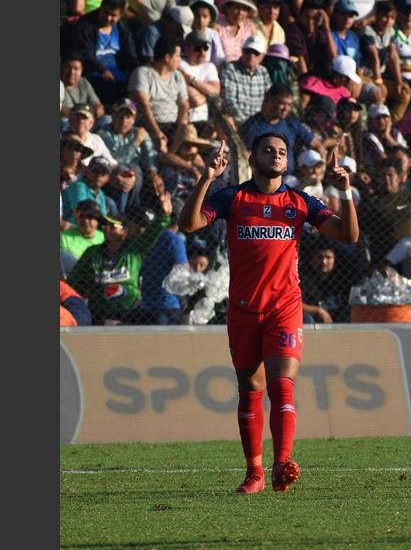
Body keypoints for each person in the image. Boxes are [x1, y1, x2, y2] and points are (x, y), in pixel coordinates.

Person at [179, 133, 359, 494]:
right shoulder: (233, 197)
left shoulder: (300, 202)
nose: (276, 156)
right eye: (268, 150)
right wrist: (208, 177)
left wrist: (346, 192)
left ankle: (282, 464)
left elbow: (348, 235)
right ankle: (254, 474)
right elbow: (190, 223)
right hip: (243, 309)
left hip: (284, 308)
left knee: (282, 387)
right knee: (250, 391)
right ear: (252, 156)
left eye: (281, 152)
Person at [69, 194, 174, 325]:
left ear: (124, 231)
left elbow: (151, 234)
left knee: (155, 319)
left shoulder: (135, 250)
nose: (106, 228)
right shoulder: (92, 253)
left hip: (130, 311)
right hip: (99, 313)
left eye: (112, 226)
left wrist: (164, 216)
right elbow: (74, 282)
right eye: (105, 225)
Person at [64, 0, 140, 105]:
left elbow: (130, 52)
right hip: (95, 72)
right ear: (100, 7)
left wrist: (137, 71)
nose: (108, 18)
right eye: (105, 12)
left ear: (120, 15)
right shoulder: (85, 25)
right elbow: (86, 54)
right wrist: (103, 70)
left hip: (119, 72)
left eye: (113, 15)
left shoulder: (122, 27)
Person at [128, 35, 189, 146]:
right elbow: (143, 106)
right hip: (149, 126)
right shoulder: (142, 73)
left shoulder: (178, 76)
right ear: (167, 58)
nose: (180, 60)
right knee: (161, 149)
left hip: (173, 127)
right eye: (177, 56)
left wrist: (181, 131)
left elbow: (184, 105)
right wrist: (157, 133)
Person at [240, 83, 315, 174]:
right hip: (265, 180)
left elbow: (316, 144)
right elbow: (245, 156)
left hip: (292, 179)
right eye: (282, 103)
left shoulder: (291, 121)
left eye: (289, 105)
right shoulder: (252, 126)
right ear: (270, 100)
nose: (286, 108)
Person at [358, 158, 411, 263]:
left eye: (390, 175)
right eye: (383, 176)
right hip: (382, 255)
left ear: (399, 177)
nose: (387, 179)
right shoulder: (371, 202)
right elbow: (360, 231)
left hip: (409, 255)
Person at [220, 34, 274, 128]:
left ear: (262, 56)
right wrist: (248, 124)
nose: (251, 56)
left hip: (260, 123)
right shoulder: (230, 69)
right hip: (238, 123)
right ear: (242, 51)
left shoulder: (263, 72)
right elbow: (229, 101)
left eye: (255, 53)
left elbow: (269, 100)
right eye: (248, 51)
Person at [178, 31, 222, 132]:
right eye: (197, 49)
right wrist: (205, 93)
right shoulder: (179, 64)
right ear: (187, 48)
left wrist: (191, 80)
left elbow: (215, 92)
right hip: (184, 121)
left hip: (204, 121)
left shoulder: (210, 67)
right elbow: (194, 99)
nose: (202, 52)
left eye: (205, 48)